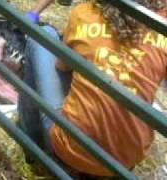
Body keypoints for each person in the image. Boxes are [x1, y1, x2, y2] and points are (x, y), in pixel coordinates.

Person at [19, 0, 167, 178]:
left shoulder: (85, 13)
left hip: (71, 153)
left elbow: (62, 66)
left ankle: (32, 143)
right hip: (125, 163)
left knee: (42, 35)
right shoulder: (161, 24)